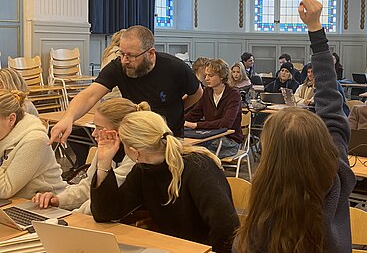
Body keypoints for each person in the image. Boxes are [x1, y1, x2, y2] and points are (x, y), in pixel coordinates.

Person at [234, 0, 356, 253]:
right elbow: (331, 104)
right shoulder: (337, 176)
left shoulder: (265, 205)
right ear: (321, 144)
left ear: (269, 156)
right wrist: (315, 28)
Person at [91, 110, 240, 253]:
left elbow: (226, 229)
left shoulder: (199, 167)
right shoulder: (144, 170)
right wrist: (104, 163)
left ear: (135, 152)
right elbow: (107, 213)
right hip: (172, 252)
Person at [49, 25, 202, 143]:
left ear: (150, 53)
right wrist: (68, 118)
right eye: (122, 54)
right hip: (135, 135)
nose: (124, 60)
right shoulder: (118, 67)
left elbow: (197, 93)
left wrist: (177, 108)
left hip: (169, 136)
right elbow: (90, 95)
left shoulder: (175, 67)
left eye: (131, 56)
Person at [33, 98, 144, 214]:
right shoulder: (108, 146)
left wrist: (73, 216)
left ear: (119, 131)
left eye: (99, 128)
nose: (93, 133)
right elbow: (89, 185)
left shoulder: (136, 157)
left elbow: (103, 196)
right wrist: (59, 200)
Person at [0, 90, 66, 199]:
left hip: (47, 206)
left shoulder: (35, 139)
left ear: (11, 119)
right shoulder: (4, 134)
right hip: (17, 204)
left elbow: (4, 190)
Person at [184, 59, 243, 158]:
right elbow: (194, 114)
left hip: (230, 140)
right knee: (186, 147)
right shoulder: (206, 92)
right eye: (206, 75)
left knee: (195, 152)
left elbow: (226, 123)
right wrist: (177, 120)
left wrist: (196, 125)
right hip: (211, 136)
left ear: (222, 76)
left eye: (211, 76)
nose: (206, 78)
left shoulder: (234, 95)